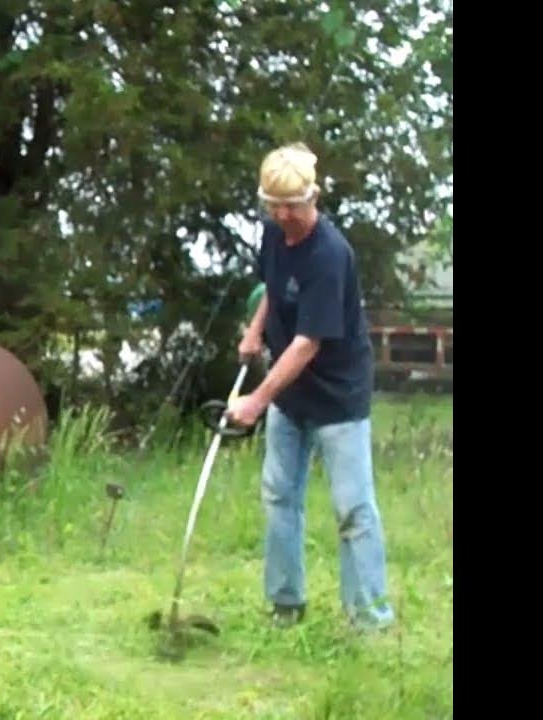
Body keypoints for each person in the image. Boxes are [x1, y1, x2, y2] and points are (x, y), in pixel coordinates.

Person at [225, 142, 395, 632]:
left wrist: (256, 402)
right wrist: (255, 329)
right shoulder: (274, 236)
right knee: (279, 495)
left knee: (353, 509)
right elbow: (272, 290)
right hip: (291, 394)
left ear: (313, 197)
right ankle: (285, 604)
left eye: (292, 205)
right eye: (273, 205)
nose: (283, 215)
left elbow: (305, 345)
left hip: (338, 397)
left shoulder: (330, 255)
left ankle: (369, 619)